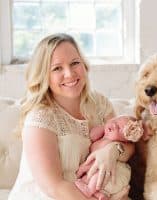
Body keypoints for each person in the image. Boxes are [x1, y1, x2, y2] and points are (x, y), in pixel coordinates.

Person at [8, 33, 133, 200]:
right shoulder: (40, 118)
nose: (70, 74)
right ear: (44, 75)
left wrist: (112, 151)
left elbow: (128, 144)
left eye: (75, 63)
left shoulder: (100, 104)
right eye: (57, 68)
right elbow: (55, 187)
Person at [75, 115, 144, 200]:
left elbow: (98, 163)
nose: (114, 125)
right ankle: (100, 195)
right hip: (101, 169)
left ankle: (89, 190)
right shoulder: (103, 137)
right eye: (115, 120)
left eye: (118, 128)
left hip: (114, 172)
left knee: (96, 176)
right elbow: (92, 136)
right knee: (90, 178)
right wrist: (104, 127)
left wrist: (82, 169)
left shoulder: (109, 144)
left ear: (123, 140)